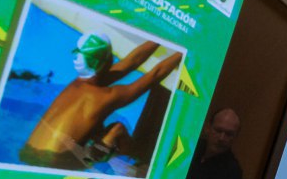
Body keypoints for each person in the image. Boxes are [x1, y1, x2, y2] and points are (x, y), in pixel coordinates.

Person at [20, 33, 182, 170]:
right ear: (108, 61)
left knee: (95, 130)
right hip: (60, 162)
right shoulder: (107, 96)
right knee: (116, 129)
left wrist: (161, 36)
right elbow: (155, 74)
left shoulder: (77, 84)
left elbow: (130, 62)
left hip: (28, 154)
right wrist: (185, 50)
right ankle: (143, 158)